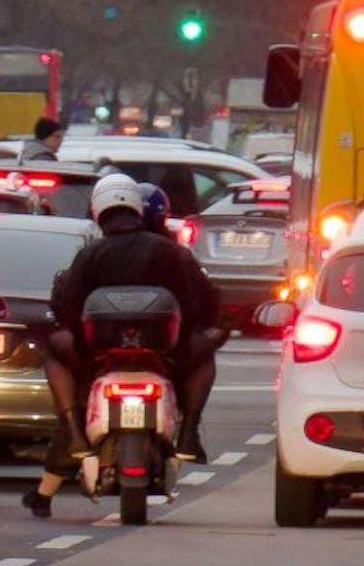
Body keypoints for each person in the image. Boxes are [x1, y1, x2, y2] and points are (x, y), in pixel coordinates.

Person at [23, 171, 223, 516]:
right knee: (204, 355)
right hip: (166, 350)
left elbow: (68, 308)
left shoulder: (91, 254)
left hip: (98, 352)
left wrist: (80, 340)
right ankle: (190, 431)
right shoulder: (171, 252)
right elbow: (199, 303)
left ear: (97, 210)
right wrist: (191, 333)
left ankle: (72, 427)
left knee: (55, 350)